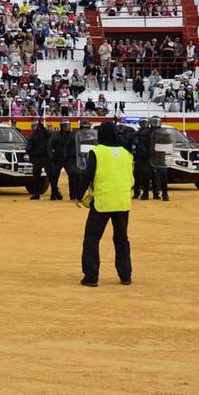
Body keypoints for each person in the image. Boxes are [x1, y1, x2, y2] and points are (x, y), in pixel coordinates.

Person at [76, 122, 134, 287]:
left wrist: (79, 195)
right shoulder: (126, 153)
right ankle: (126, 275)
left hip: (102, 201)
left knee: (92, 239)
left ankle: (91, 276)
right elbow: (131, 179)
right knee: (122, 239)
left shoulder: (97, 152)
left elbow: (88, 175)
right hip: (122, 202)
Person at [26, 121, 53, 200]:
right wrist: (32, 154)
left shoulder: (45, 135)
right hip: (37, 158)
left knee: (51, 176)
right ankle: (36, 194)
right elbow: (28, 148)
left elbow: (49, 134)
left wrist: (43, 128)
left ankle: (55, 192)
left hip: (46, 157)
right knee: (36, 177)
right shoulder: (32, 136)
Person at [52, 120, 78, 200]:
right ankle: (54, 193)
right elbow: (50, 146)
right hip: (57, 159)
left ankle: (73, 195)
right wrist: (51, 156)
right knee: (54, 177)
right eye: (65, 125)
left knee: (72, 177)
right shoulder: (56, 136)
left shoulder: (73, 135)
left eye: (68, 125)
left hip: (68, 160)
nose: (66, 127)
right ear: (61, 127)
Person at [148, 116, 170, 201]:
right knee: (159, 179)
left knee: (157, 178)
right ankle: (161, 194)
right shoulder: (163, 133)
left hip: (156, 159)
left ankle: (161, 194)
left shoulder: (160, 133)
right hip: (157, 159)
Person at [132, 119, 153, 199]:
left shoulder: (150, 133)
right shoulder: (137, 133)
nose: (143, 124)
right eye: (142, 123)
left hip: (147, 156)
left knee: (146, 176)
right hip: (139, 156)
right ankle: (137, 193)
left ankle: (145, 193)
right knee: (137, 175)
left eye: (145, 123)